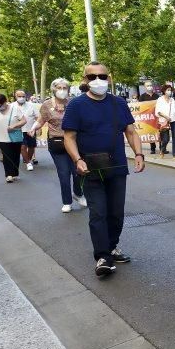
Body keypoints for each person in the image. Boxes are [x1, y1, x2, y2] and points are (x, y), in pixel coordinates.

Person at [62, 61, 146, 277]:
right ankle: (102, 257)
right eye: (92, 77)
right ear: (85, 80)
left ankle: (111, 247)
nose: (98, 80)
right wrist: (77, 159)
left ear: (108, 78)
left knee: (116, 213)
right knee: (98, 213)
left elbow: (130, 131)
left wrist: (138, 154)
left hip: (116, 167)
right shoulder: (76, 105)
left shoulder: (118, 103)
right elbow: (69, 138)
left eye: (102, 76)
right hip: (89, 169)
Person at [31, 78, 87, 213]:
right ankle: (66, 202)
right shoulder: (46, 105)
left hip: (74, 142)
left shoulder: (73, 103)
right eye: (59, 88)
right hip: (57, 143)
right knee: (64, 173)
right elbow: (41, 120)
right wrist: (34, 128)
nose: (62, 90)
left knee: (78, 172)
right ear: (53, 89)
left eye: (64, 88)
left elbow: (83, 119)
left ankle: (78, 194)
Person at [0, 94, 26, 182]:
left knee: (15, 155)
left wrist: (14, 126)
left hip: (15, 136)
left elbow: (24, 121)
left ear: (5, 102)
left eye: (0, 105)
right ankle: (9, 175)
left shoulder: (15, 108)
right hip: (1, 137)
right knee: (7, 155)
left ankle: (15, 174)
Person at [10, 90, 38, 171]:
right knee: (22, 147)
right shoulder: (11, 106)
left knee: (32, 146)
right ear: (15, 96)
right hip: (18, 130)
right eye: (19, 96)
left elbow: (37, 118)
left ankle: (27, 160)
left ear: (26, 97)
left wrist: (36, 128)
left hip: (30, 129)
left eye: (23, 96)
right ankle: (28, 163)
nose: (21, 98)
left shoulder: (31, 105)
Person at [155, 84, 175, 159]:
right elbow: (158, 112)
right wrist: (166, 117)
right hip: (164, 121)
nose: (169, 92)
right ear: (164, 91)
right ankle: (162, 150)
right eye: (168, 90)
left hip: (174, 120)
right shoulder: (160, 99)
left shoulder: (172, 100)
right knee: (165, 139)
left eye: (170, 90)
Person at [138, 80, 160, 154]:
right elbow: (140, 107)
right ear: (145, 87)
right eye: (148, 85)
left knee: (159, 132)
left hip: (157, 117)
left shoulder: (157, 96)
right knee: (151, 132)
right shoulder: (142, 97)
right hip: (148, 118)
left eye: (150, 85)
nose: (149, 87)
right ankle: (152, 148)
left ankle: (162, 148)